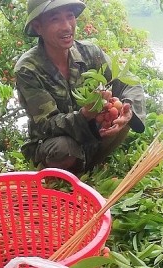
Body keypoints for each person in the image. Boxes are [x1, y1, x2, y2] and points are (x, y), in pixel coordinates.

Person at [14, 0, 146, 174]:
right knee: (63, 149)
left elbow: (130, 82)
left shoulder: (90, 53)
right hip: (51, 144)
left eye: (70, 16)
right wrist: (85, 115)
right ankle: (55, 176)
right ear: (38, 27)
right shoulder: (28, 69)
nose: (67, 26)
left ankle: (91, 170)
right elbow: (47, 125)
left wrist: (127, 110)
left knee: (124, 114)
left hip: (92, 140)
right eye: (55, 19)